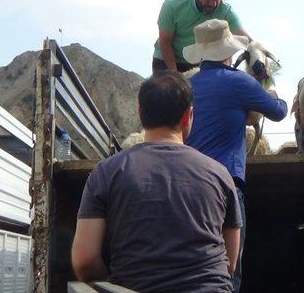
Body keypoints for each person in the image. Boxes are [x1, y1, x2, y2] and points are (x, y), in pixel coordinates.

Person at [71, 71, 242, 292]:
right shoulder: (220, 174)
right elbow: (230, 264)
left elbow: (84, 261)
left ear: (140, 113)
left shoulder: (106, 172)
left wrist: (113, 282)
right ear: (188, 116)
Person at [185, 19, 288, 292]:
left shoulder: (187, 86)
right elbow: (278, 111)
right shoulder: (239, 82)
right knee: (229, 268)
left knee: (191, 264)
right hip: (225, 186)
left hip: (186, 186)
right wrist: (272, 88)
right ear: (229, 52)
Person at [152, 0, 251, 74]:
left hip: (201, 62)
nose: (213, 3)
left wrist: (259, 56)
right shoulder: (172, 6)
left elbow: (247, 40)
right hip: (167, 60)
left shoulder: (226, 11)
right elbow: (165, 41)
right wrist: (175, 75)